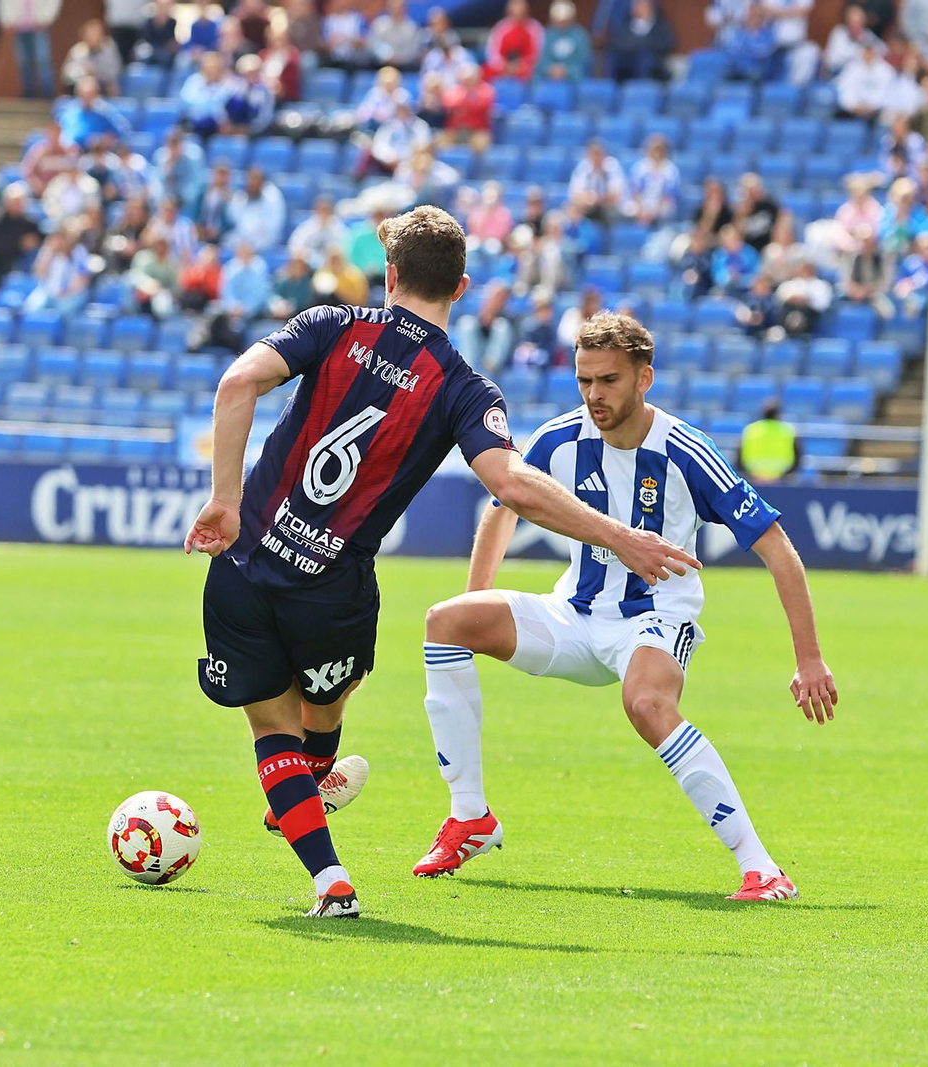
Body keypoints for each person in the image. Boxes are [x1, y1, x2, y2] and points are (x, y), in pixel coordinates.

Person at [183, 208, 697, 918]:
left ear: (389, 274)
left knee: (274, 730)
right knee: (323, 707)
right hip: (335, 593)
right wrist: (620, 536)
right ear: (460, 288)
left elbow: (237, 382)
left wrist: (225, 500)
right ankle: (306, 786)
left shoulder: (331, 324)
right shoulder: (463, 388)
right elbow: (512, 485)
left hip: (246, 564)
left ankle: (329, 874)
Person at [412, 310, 834, 901]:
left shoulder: (687, 451)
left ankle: (760, 868)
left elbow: (777, 548)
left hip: (654, 619)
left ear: (644, 378)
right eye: (584, 380)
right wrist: (478, 595)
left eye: (608, 380)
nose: (594, 395)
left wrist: (809, 658)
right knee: (445, 621)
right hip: (572, 616)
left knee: (647, 704)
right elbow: (503, 509)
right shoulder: (559, 438)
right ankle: (470, 817)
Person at [453, 278, 517, 370]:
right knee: (466, 323)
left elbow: (514, 337)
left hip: (498, 357)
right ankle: (467, 367)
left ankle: (490, 366)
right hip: (478, 347)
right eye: (496, 296)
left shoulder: (511, 316)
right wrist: (487, 315)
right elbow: (479, 325)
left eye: (501, 297)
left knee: (501, 326)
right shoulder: (480, 309)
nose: (497, 300)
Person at [2, 0, 61, 100]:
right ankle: (28, 95)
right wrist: (7, 19)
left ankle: (48, 95)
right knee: (23, 62)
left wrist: (46, 18)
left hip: (40, 27)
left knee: (43, 61)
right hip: (19, 27)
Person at [606, 0, 673, 83]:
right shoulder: (626, 26)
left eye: (643, 7)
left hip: (651, 62)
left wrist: (641, 45)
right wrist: (636, 46)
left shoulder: (659, 26)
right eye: (637, 7)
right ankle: (611, 85)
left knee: (644, 58)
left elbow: (666, 43)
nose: (639, 9)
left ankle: (641, 88)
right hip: (628, 58)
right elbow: (618, 42)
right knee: (612, 56)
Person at [227, 166, 286, 254]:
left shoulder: (272, 197)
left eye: (256, 180)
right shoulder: (242, 197)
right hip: (244, 241)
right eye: (250, 180)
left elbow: (274, 227)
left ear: (262, 182)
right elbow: (235, 220)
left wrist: (252, 246)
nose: (252, 183)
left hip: (266, 242)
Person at [740, 400, 802, 483]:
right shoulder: (788, 430)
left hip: (754, 475)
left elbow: (740, 453)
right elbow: (798, 454)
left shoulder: (750, 429)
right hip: (781, 476)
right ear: (778, 415)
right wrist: (788, 474)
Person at [567, 140, 627, 221]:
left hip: (609, 208)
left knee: (611, 214)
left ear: (604, 155)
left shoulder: (613, 166)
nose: (596, 158)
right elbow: (575, 195)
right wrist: (590, 198)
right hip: (588, 207)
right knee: (571, 210)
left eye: (598, 154)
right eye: (593, 154)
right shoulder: (583, 167)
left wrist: (598, 199)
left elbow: (615, 196)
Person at [485, 0, 544, 80]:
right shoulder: (500, 28)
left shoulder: (535, 27)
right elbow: (492, 53)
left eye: (521, 8)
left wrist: (523, 65)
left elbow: (538, 52)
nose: (518, 11)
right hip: (503, 69)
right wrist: (505, 66)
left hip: (527, 70)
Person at [61, 19, 122, 96]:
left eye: (97, 34)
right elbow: (66, 74)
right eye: (91, 34)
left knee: (111, 85)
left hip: (103, 85)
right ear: (84, 36)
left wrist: (97, 73)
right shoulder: (78, 51)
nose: (94, 37)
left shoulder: (109, 49)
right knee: (85, 85)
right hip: (82, 87)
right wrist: (84, 72)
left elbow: (115, 72)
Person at [541, 2, 592, 82]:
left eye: (564, 20)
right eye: (558, 20)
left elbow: (585, 61)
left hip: (575, 81)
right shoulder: (547, 34)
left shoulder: (580, 35)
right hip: (548, 81)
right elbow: (540, 61)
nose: (561, 23)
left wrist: (568, 71)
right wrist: (550, 69)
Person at [369, 0, 422, 69]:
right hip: (381, 64)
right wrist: (387, 55)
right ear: (389, 8)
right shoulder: (379, 24)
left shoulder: (412, 28)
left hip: (405, 65)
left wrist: (398, 58)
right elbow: (374, 44)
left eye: (399, 8)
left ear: (405, 9)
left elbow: (412, 50)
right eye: (394, 8)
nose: (396, 11)